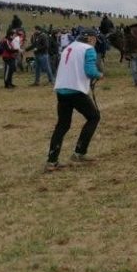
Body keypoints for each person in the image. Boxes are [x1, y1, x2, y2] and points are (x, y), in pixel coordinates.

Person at [44, 28, 103, 172]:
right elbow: (90, 71)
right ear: (90, 38)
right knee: (94, 117)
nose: (95, 42)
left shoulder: (68, 47)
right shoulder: (88, 49)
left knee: (62, 125)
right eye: (95, 39)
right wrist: (99, 74)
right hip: (76, 89)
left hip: (61, 89)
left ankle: (52, 161)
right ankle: (80, 152)